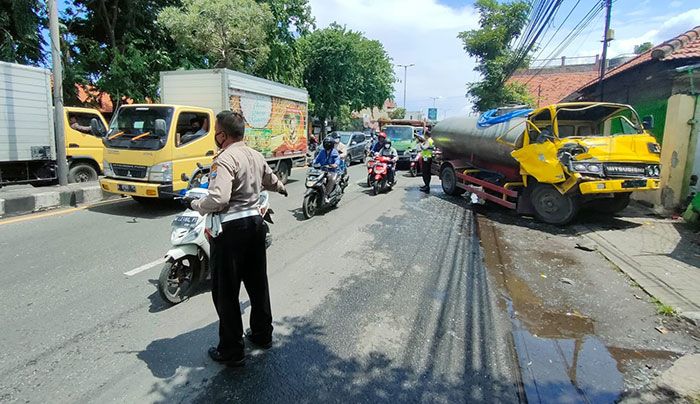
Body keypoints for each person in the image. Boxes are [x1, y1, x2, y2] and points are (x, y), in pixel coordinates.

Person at [184, 111, 288, 367]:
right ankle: (263, 335)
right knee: (257, 284)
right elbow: (271, 180)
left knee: (226, 293)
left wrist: (197, 204)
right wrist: (282, 188)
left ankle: (231, 350)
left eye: (216, 131)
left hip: (231, 230)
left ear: (222, 134)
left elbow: (219, 198)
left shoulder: (224, 158)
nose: (214, 136)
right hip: (255, 225)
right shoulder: (255, 155)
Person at [314, 136, 341, 202]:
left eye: (328, 143)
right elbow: (316, 159)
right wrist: (313, 163)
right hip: (322, 170)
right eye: (325, 143)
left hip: (332, 171)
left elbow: (337, 159)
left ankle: (326, 195)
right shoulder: (322, 152)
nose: (327, 145)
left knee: (332, 179)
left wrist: (335, 165)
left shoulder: (334, 152)